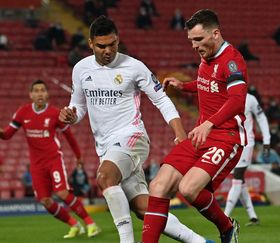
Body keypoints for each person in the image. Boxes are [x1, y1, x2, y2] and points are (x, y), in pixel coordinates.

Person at [59, 16, 211, 243]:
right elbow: (79, 106)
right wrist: (70, 115)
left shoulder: (134, 67)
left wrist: (179, 132)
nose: (108, 50)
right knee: (144, 209)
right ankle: (199, 242)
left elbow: (161, 99)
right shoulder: (81, 69)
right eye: (101, 46)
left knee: (105, 177)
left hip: (132, 137)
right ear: (91, 44)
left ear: (118, 41)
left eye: (112, 44)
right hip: (106, 146)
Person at [142, 9, 247, 243]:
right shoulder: (206, 55)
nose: (194, 45)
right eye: (191, 41)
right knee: (158, 186)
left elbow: (237, 100)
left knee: (189, 189)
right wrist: (184, 86)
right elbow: (208, 84)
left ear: (216, 34)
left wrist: (209, 123)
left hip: (227, 136)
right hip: (202, 133)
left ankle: (227, 227)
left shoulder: (232, 60)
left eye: (198, 39)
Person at [0, 80, 100, 239]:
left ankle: (91, 224)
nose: (39, 93)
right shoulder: (23, 112)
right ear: (31, 95)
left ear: (47, 94)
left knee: (62, 193)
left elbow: (69, 136)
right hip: (36, 165)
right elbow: (8, 134)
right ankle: (74, 225)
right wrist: (1, 133)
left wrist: (78, 156)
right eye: (36, 91)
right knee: (45, 201)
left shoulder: (55, 113)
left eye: (42, 90)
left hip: (53, 160)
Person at [224, 94, 270, 226]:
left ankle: (225, 216)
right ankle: (253, 216)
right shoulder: (225, 96)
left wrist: (267, 140)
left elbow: (261, 117)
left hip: (247, 143)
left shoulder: (250, 99)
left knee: (237, 176)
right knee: (240, 180)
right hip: (232, 142)